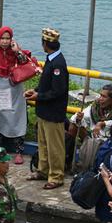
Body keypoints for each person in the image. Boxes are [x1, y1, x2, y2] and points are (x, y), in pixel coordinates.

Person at [0, 26, 33, 164]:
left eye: (8, 38)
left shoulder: (15, 51)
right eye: (2, 38)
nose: (5, 41)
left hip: (15, 91)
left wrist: (17, 51)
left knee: (18, 119)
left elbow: (25, 62)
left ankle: (19, 152)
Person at [26, 27, 69, 190]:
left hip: (53, 112)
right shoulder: (52, 59)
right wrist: (36, 91)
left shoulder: (58, 64)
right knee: (43, 144)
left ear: (45, 44)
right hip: (44, 111)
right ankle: (43, 170)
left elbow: (57, 91)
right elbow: (47, 84)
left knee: (54, 146)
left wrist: (38, 97)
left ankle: (56, 176)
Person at [72, 84, 112, 173]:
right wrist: (79, 118)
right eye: (100, 95)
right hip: (92, 139)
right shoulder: (95, 107)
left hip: (107, 142)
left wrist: (103, 123)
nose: (100, 98)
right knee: (73, 125)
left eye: (104, 96)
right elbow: (79, 117)